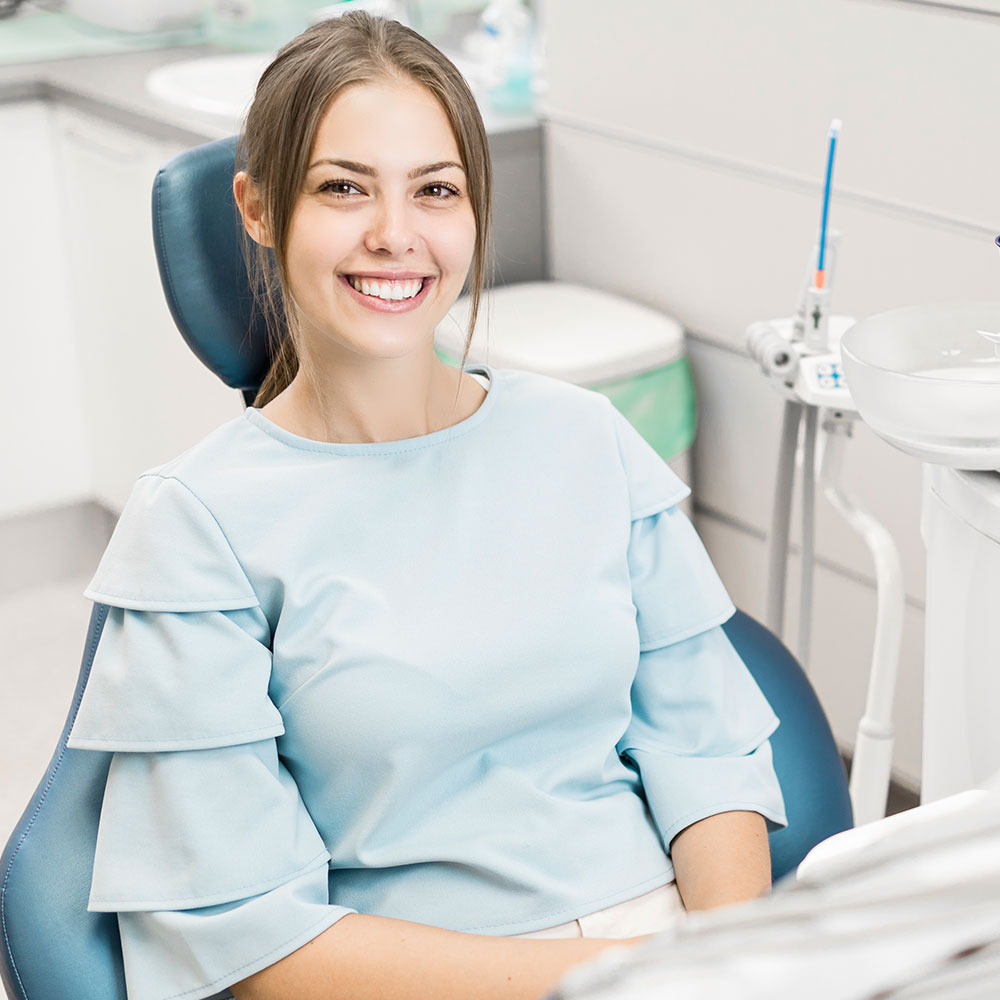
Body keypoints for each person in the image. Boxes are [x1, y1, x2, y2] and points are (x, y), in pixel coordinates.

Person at [65, 12, 787, 1000]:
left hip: (679, 951)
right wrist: (618, 977)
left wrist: (732, 964)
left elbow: (705, 756)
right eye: (341, 188)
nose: (394, 234)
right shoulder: (197, 522)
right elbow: (248, 943)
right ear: (259, 207)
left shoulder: (586, 440)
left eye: (434, 190)